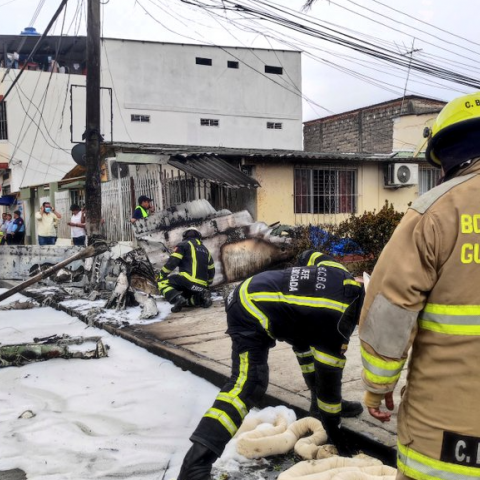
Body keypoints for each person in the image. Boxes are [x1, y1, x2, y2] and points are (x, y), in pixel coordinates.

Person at [358, 92, 480, 480]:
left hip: (449, 440)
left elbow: (388, 313)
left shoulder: (434, 212)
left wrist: (378, 389)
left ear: (446, 155)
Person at [176, 253, 365, 480]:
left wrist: (300, 285)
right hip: (249, 309)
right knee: (248, 384)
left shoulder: (339, 271)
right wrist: (335, 431)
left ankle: (315, 404)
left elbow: (308, 255)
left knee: (305, 338)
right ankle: (194, 467)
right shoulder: (338, 321)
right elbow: (329, 383)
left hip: (256, 290)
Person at [157, 227, 215, 313]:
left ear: (185, 235)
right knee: (185, 298)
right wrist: (207, 285)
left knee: (161, 283)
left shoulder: (183, 245)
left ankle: (177, 299)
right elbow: (211, 270)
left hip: (187, 281)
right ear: (199, 236)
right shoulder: (206, 250)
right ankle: (201, 298)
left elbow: (173, 262)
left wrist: (162, 274)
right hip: (201, 286)